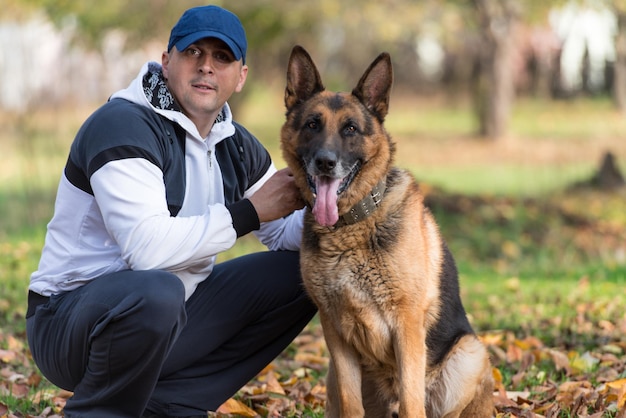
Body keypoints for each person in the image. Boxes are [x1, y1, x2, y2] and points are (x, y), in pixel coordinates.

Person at [26, 5, 317, 418]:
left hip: (168, 314)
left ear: (241, 77)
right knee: (157, 290)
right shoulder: (123, 125)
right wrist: (247, 212)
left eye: (222, 58)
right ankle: (99, 413)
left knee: (306, 272)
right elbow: (145, 251)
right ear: (167, 62)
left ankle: (170, 406)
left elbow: (287, 233)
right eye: (193, 52)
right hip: (68, 322)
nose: (206, 68)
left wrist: (332, 205)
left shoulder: (234, 143)